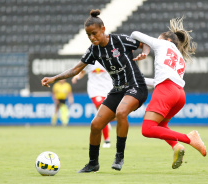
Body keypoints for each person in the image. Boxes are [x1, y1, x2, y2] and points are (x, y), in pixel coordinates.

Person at [41, 9, 149, 173]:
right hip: (118, 90)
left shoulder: (120, 40)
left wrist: (145, 54)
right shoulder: (94, 50)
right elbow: (76, 69)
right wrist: (54, 78)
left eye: (94, 33)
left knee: (121, 112)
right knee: (96, 124)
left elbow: (144, 43)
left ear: (103, 29)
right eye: (88, 35)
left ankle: (119, 156)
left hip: (136, 86)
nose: (92, 37)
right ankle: (93, 163)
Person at [130, 17, 207, 169]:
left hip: (166, 91)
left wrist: (143, 50)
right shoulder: (180, 58)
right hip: (178, 94)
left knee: (147, 129)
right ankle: (176, 146)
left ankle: (189, 139)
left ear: (167, 40)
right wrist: (136, 79)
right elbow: (160, 81)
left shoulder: (162, 43)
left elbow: (134, 33)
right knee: (161, 124)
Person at [72, 61, 113, 148]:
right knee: (101, 109)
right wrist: (77, 77)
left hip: (108, 89)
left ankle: (107, 123)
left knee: (109, 115)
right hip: (95, 90)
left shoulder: (108, 58)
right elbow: (82, 71)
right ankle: (107, 140)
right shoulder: (90, 60)